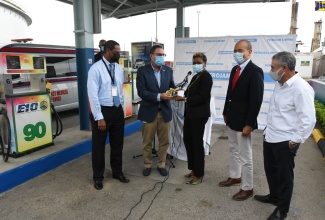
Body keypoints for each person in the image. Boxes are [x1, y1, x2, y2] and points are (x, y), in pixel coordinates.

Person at [254, 51, 316, 220]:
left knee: (284, 176)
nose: (271, 70)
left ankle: (282, 210)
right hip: (271, 136)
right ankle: (274, 196)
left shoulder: (301, 88)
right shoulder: (280, 83)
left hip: (285, 141)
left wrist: (294, 141)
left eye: (273, 67)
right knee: (271, 171)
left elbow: (308, 119)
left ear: (284, 68)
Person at [219, 39, 264, 201]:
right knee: (233, 149)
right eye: (235, 50)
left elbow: (256, 100)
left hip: (244, 122)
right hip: (231, 118)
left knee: (245, 156)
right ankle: (235, 176)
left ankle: (247, 187)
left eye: (240, 50)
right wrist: (225, 111)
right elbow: (229, 93)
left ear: (249, 52)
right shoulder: (234, 69)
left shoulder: (255, 71)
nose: (237, 53)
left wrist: (249, 124)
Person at [87, 40, 129, 190]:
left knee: (118, 144)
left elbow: (118, 88)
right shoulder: (95, 69)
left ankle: (117, 172)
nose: (119, 53)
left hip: (117, 110)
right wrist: (99, 117)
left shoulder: (118, 68)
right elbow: (92, 95)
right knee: (99, 146)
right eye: (117, 51)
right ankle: (98, 177)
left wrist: (121, 107)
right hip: (102, 111)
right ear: (109, 51)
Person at [136, 44, 175, 177]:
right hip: (148, 112)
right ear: (151, 56)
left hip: (164, 112)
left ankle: (161, 164)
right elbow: (142, 92)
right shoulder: (142, 71)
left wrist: (176, 93)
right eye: (159, 55)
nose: (162, 57)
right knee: (147, 141)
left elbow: (172, 87)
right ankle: (147, 165)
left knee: (164, 141)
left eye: (163, 55)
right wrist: (159, 96)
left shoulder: (168, 70)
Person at [174, 52, 213, 185]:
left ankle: (199, 174)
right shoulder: (196, 76)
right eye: (194, 62)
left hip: (199, 115)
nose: (196, 65)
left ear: (205, 63)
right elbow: (189, 92)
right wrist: (180, 92)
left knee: (196, 144)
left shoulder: (206, 77)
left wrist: (184, 98)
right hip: (190, 114)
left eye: (198, 62)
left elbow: (202, 97)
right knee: (188, 141)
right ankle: (193, 169)